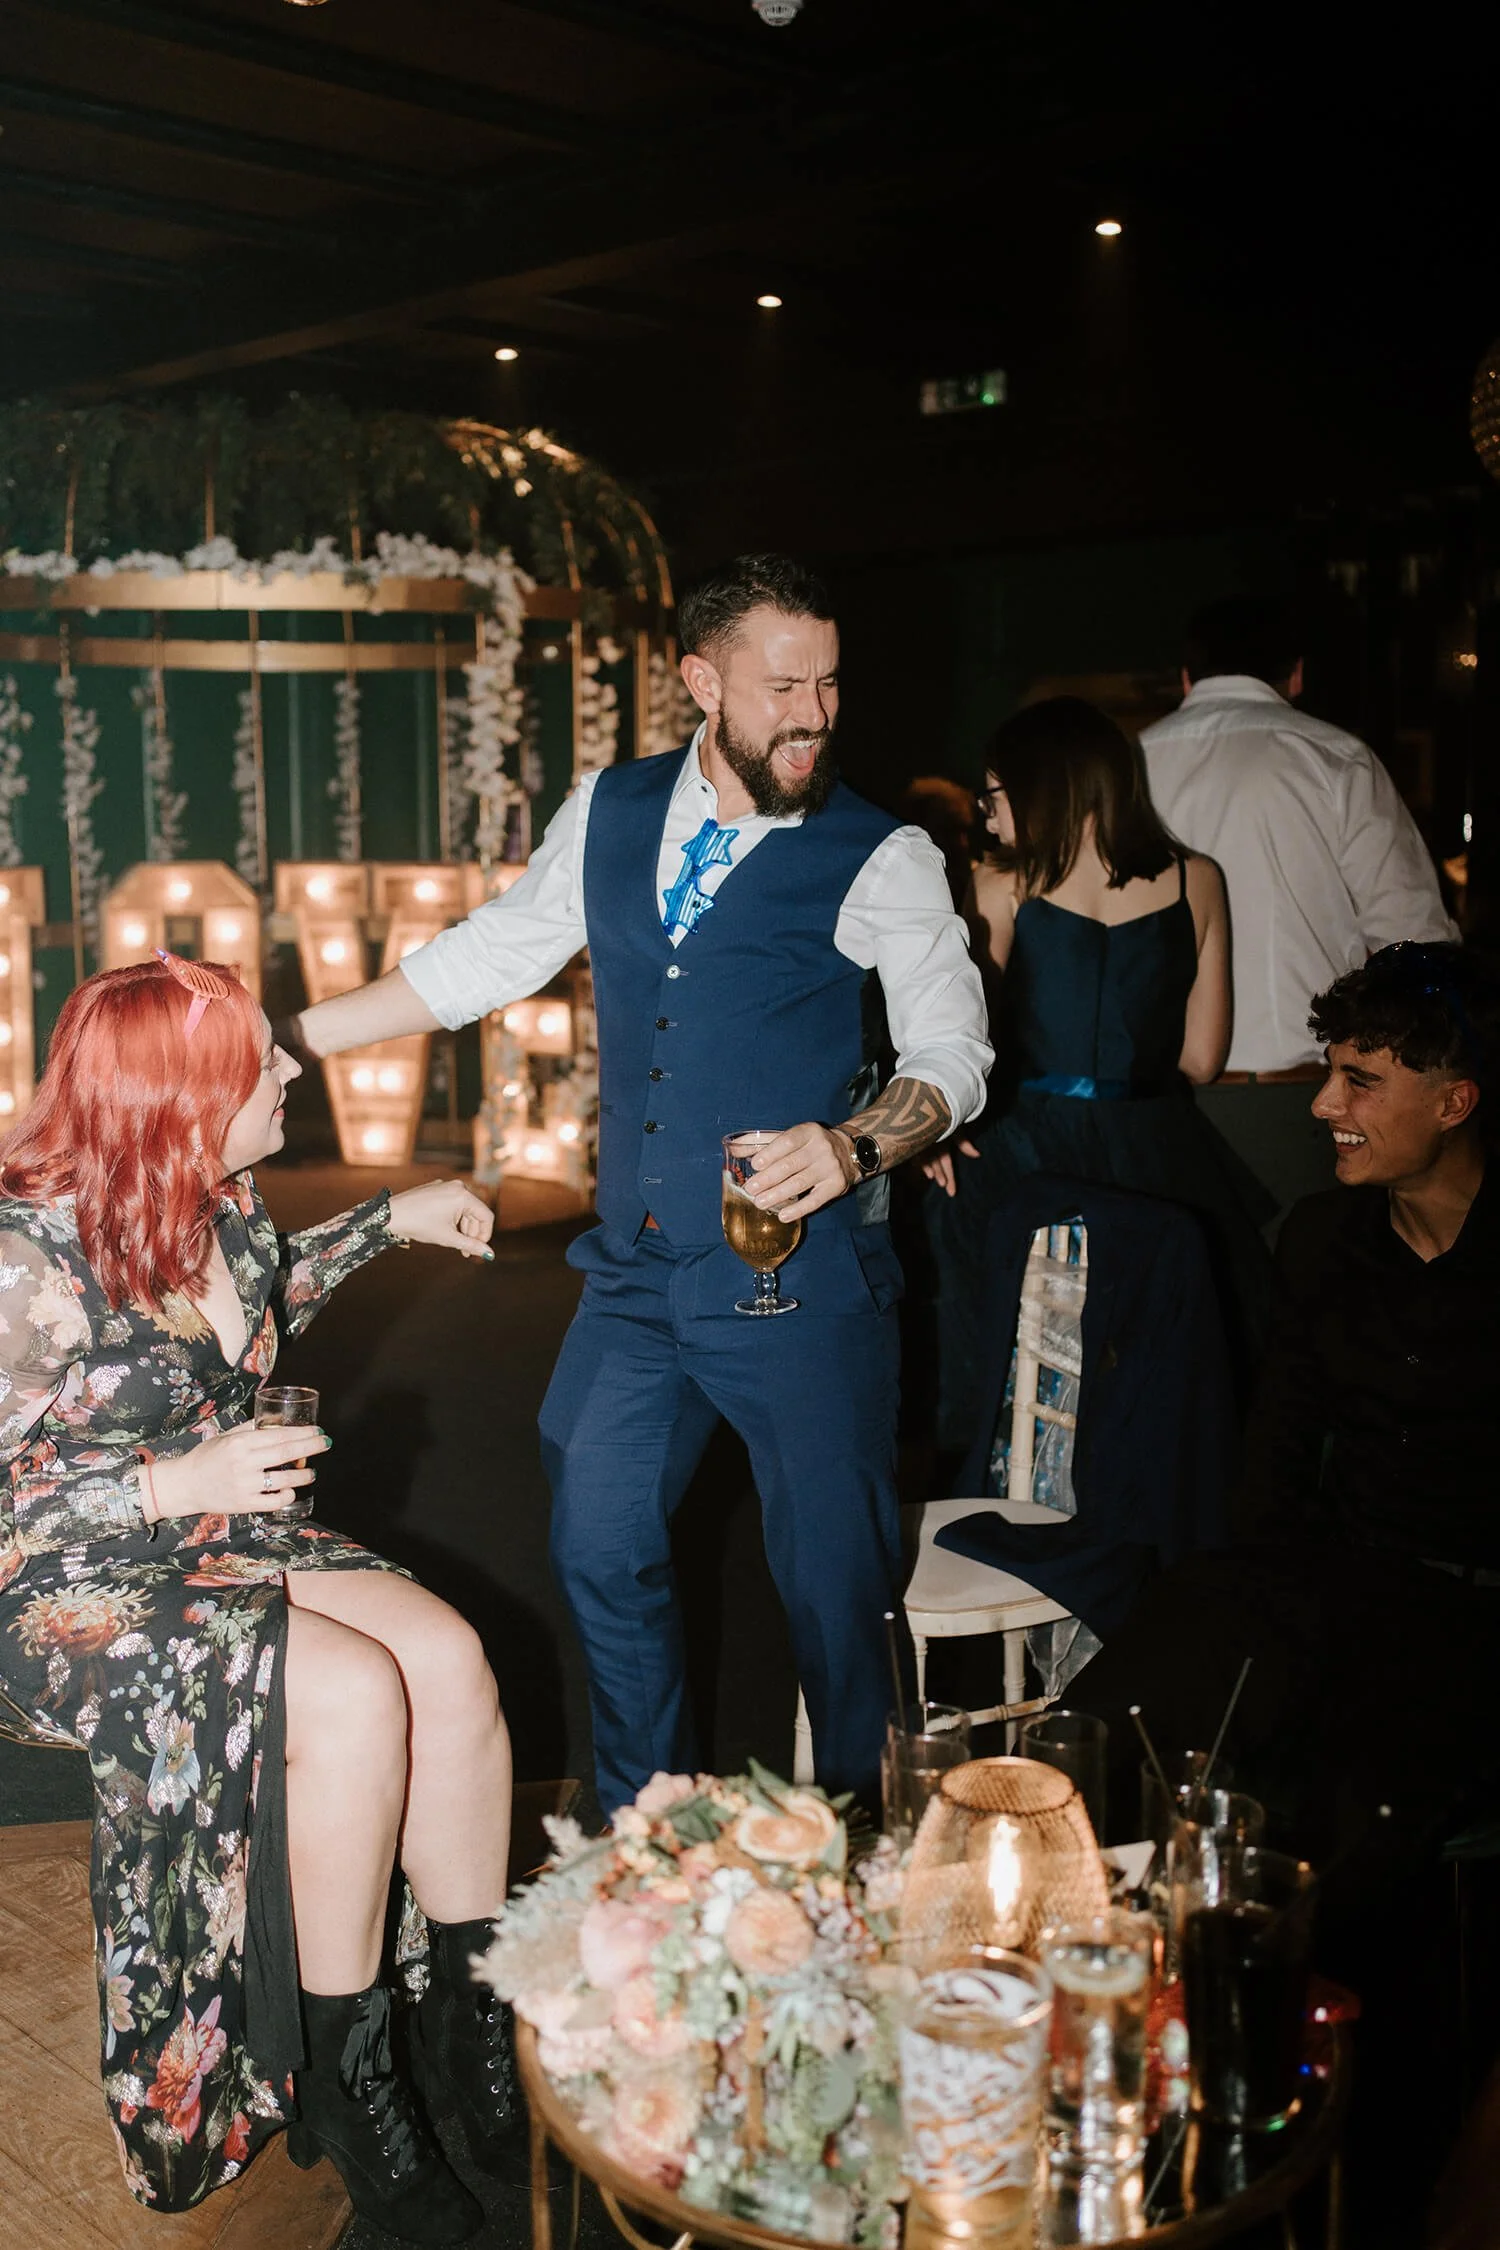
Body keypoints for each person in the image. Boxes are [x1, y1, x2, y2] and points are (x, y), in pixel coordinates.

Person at [286, 553, 991, 1815]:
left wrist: (855, 1144)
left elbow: (955, 1055)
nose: (816, 714)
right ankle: (644, 1840)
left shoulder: (882, 854)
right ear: (699, 681)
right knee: (601, 1550)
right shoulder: (610, 810)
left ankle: (866, 1868)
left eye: (830, 684)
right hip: (638, 1279)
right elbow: (489, 955)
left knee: (835, 1595)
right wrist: (291, 1040)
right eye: (785, 687)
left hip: (801, 1292)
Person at [0, 955, 515, 2244]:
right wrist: (170, 1484)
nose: (293, 1069)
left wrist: (395, 1215)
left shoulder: (223, 1200)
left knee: (446, 1658)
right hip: (59, 1590)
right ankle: (351, 2088)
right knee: (342, 1693)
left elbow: (266, 1295)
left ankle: (470, 2023)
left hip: (208, 1531)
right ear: (178, 1098)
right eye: (260, 1062)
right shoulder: (28, 1259)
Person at [1071, 939, 1500, 2243]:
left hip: (1469, 1614)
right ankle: (1096, 2074)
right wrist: (1242, 1622)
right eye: (1331, 1072)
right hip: (1314, 1574)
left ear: (1456, 1097)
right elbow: (1273, 1470)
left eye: (1362, 1080)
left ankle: (1297, 2169)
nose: (1325, 1106)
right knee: (1122, 1727)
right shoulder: (1323, 1236)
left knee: (1327, 1855)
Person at [923, 697, 1273, 1447]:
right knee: (1151, 1364)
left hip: (1024, 1151)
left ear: (1042, 786)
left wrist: (933, 1126)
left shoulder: (1001, 887)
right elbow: (1201, 1059)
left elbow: (958, 1042)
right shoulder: (1197, 880)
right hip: (1158, 1148)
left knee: (1016, 1369)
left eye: (994, 794)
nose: (988, 817)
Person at [1141, 595, 1456, 1226]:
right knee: (1311, 1295)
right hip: (1312, 1098)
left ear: (1186, 678)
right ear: (1295, 675)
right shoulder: (1337, 759)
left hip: (1157, 1095)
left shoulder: (1129, 764)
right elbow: (1415, 942)